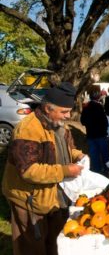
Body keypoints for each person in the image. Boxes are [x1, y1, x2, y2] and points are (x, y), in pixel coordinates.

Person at [2, 82, 85, 255]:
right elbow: (28, 170)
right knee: (31, 247)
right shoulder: (28, 129)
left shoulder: (60, 126)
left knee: (55, 243)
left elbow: (66, 149)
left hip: (53, 198)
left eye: (69, 111)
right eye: (64, 112)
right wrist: (65, 171)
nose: (68, 116)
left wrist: (78, 155)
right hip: (29, 201)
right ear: (48, 108)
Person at [80, 89, 109, 176]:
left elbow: (82, 121)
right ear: (98, 97)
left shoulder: (86, 107)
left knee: (94, 155)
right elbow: (104, 121)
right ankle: (107, 170)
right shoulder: (99, 107)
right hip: (101, 134)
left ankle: (97, 172)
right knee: (105, 154)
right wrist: (105, 129)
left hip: (91, 135)